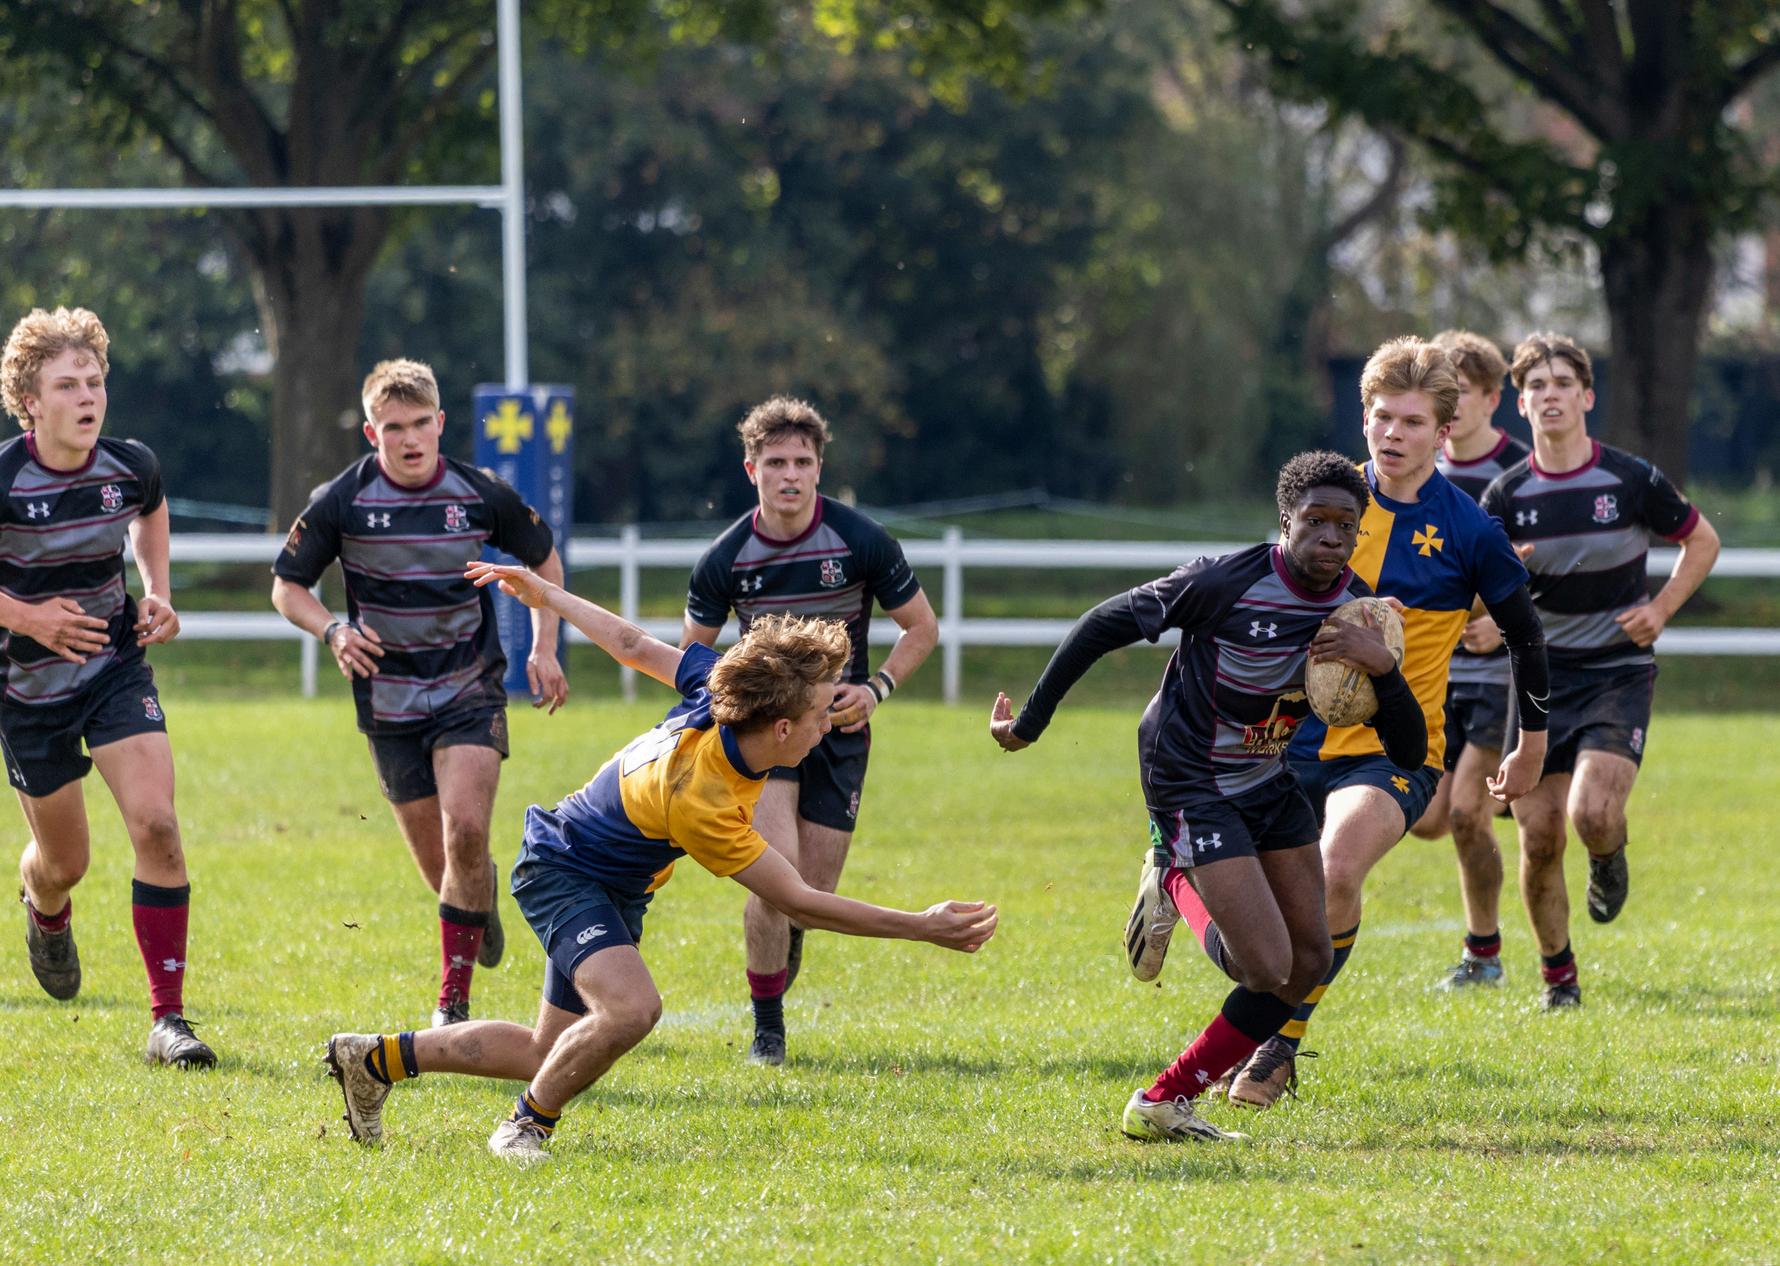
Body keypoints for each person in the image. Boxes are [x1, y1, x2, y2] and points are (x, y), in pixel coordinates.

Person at [326, 565, 996, 1163]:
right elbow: (800, 902)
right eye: (822, 713)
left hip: (608, 882)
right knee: (632, 1009)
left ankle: (373, 1059)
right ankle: (525, 1126)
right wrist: (922, 926)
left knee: (546, 1050)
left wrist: (549, 594)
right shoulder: (704, 800)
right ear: (783, 728)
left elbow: (631, 644)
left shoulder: (724, 689)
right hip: (565, 868)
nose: (831, 723)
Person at [990, 451, 1426, 1143]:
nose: (1331, 537)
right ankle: (1171, 877)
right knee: (1265, 966)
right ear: (1285, 520)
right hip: (1188, 775)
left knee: (1309, 963)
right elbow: (1101, 624)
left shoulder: (1358, 613)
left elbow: (1407, 750)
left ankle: (1163, 1103)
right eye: (1314, 520)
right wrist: (1031, 722)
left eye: (1346, 524)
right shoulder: (1223, 582)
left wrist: (1384, 669)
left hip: (1266, 776)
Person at [1187, 337, 1552, 1109]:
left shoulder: (1469, 530)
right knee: (1256, 927)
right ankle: (1173, 890)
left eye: (1413, 422)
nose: (1393, 433)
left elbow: (1526, 636)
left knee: (1336, 871)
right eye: (1383, 417)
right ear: (1363, 419)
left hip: (1397, 752)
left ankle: (1279, 1044)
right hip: (1286, 741)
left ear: (1443, 432)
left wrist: (1531, 745)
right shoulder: (1324, 507)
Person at [271, 359, 567, 1027]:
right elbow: (287, 586)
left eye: (420, 424)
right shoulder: (342, 500)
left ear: (440, 423)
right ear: (371, 434)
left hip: (469, 686)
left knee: (467, 830)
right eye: (393, 428)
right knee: (444, 867)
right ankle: (476, 899)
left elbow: (543, 560)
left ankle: (451, 1006)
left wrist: (544, 645)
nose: (409, 439)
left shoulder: (479, 492)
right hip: (388, 700)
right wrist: (333, 630)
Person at [681, 397, 939, 1067]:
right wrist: (724, 710)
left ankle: (787, 939)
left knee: (812, 896)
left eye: (801, 462)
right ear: (752, 470)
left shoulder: (860, 540)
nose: (789, 475)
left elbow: (922, 627)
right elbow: (691, 658)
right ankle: (768, 1034)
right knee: (775, 878)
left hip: (838, 730)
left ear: (819, 468)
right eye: (775, 463)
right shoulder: (726, 557)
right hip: (762, 737)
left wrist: (876, 688)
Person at [1, 306, 214, 1067]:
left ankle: (168, 1021)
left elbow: (149, 511)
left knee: (157, 825)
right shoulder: (6, 477)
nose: (87, 396)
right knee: (66, 864)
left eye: (94, 381)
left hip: (113, 670)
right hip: (26, 693)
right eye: (68, 384)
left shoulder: (130, 465)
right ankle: (44, 905)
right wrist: (28, 618)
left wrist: (157, 591)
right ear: (31, 401)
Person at [1482, 333, 1719, 1008]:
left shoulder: (1628, 478)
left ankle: (1609, 856)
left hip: (1617, 669)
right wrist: (1497, 589)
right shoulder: (1505, 495)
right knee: (1539, 835)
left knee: (1592, 812)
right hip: (1538, 677)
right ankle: (1559, 979)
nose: (1550, 395)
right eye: (1536, 386)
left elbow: (1702, 540)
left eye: (1563, 383)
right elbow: (1470, 587)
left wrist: (1662, 608)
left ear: (1586, 397)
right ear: (1520, 405)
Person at [1406, 330, 1531, 990]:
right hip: (1432, 673)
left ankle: (1483, 954)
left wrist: (1497, 620)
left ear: (1491, 398)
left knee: (1462, 812)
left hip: (1497, 678)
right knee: (1426, 819)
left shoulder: (1521, 473)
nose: (1448, 406)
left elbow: (1542, 568)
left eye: (1460, 392)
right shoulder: (1417, 469)